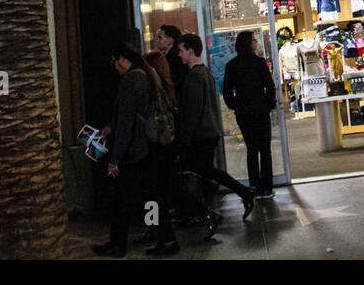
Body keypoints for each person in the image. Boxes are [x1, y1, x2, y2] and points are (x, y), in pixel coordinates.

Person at [93, 44, 179, 258]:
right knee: (147, 195)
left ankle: (151, 240)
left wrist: (116, 158)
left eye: (115, 62)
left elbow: (127, 119)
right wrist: (111, 126)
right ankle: (161, 238)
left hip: (136, 150)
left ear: (123, 59)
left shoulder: (132, 79)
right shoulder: (146, 74)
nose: (115, 67)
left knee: (131, 197)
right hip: (147, 147)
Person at [173, 33, 255, 236]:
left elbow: (193, 111)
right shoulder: (206, 73)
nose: (179, 55)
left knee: (199, 173)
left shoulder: (194, 77)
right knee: (207, 172)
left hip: (199, 136)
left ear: (191, 51)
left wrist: (184, 139)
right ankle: (239, 195)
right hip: (209, 132)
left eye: (181, 50)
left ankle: (208, 211)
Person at [222, 31, 277, 199]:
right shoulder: (259, 63)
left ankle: (254, 186)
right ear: (248, 43)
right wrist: (268, 104)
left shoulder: (231, 65)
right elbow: (269, 86)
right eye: (253, 40)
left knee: (251, 149)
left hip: (244, 113)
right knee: (265, 149)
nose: (256, 42)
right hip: (260, 110)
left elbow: (226, 92)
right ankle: (267, 187)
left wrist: (235, 106)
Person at [142, 50, 181, 230]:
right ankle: (156, 229)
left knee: (153, 190)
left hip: (156, 147)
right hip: (167, 145)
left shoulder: (155, 92)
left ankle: (155, 229)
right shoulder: (169, 90)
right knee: (163, 187)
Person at [154, 25, 187, 92]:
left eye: (160, 38)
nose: (158, 41)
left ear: (170, 40)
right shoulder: (166, 56)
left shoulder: (176, 58)